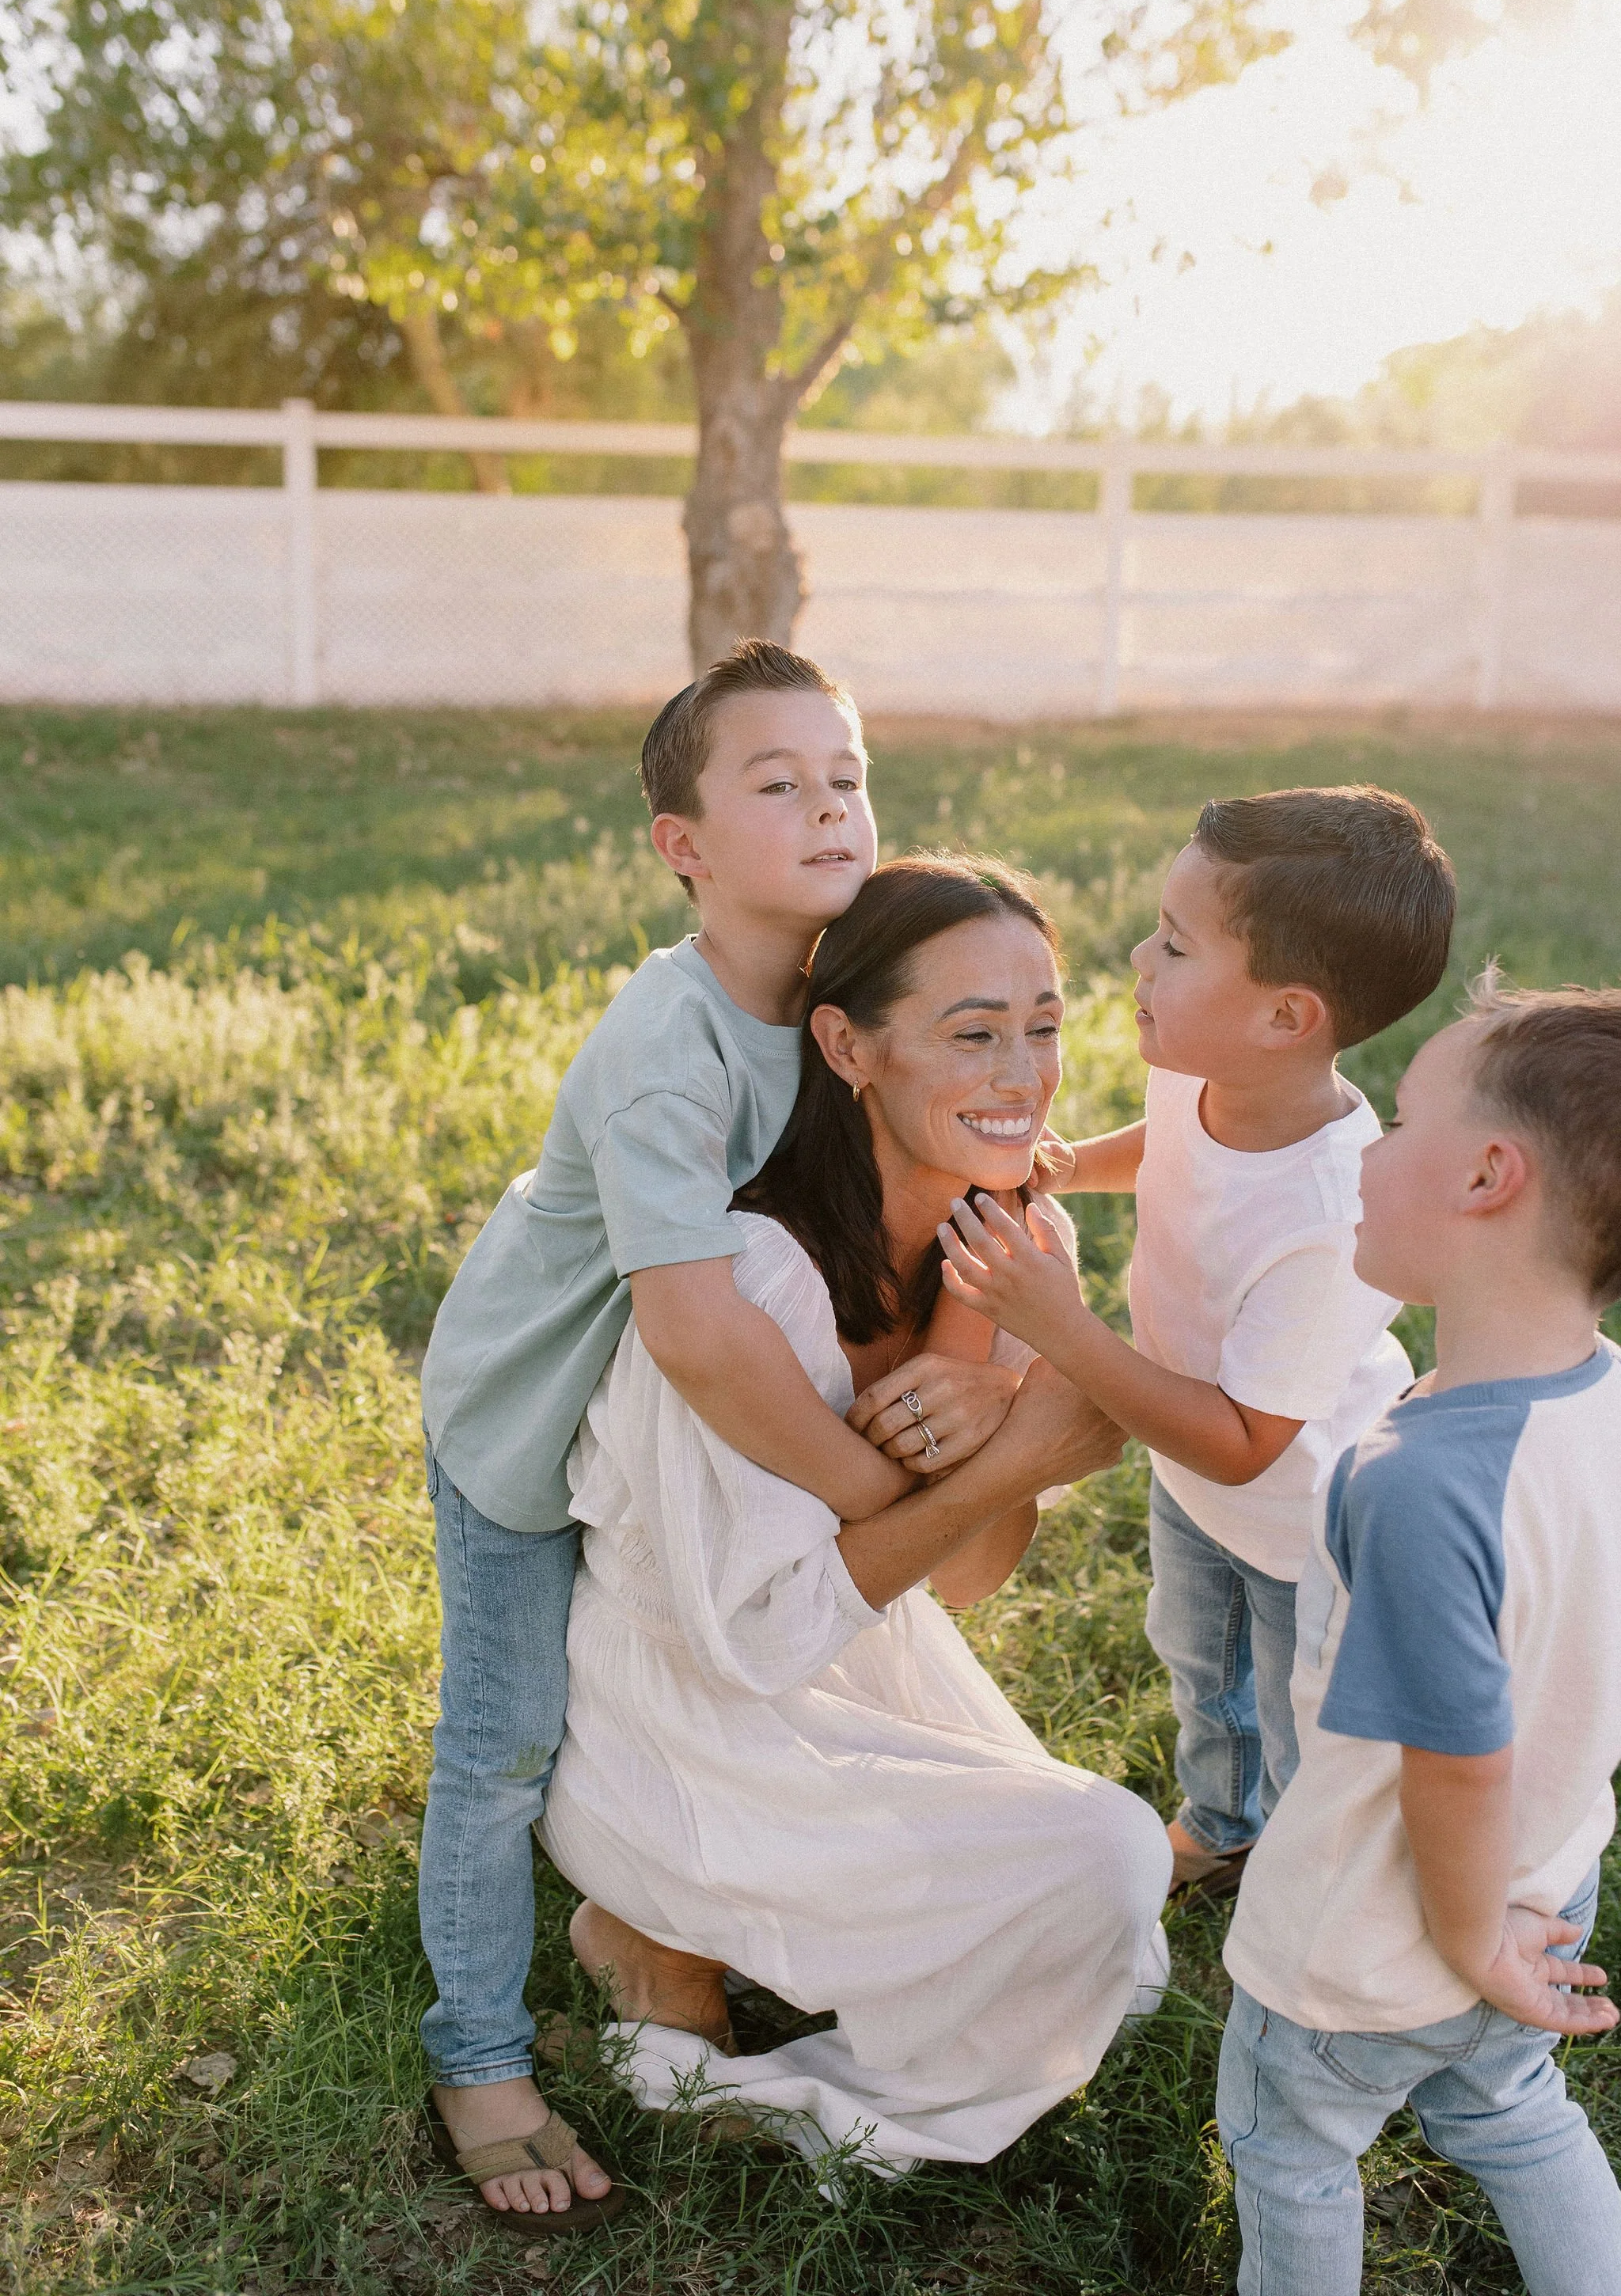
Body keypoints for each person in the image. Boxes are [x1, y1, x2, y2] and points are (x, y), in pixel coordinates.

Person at [418, 643, 977, 2230]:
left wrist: (981, 1349)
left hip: (683, 1446)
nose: (829, 807)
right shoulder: (670, 1042)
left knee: (685, 1675)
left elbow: (977, 1134)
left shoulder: (849, 1004)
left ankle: (662, 1909)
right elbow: (694, 1328)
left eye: (848, 776)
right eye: (776, 783)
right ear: (684, 847)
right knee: (506, 1731)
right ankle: (475, 2055)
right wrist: (876, 1496)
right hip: (536, 1428)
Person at [539, 858, 1173, 2173]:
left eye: (1045, 1026)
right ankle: (654, 1916)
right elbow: (755, 1641)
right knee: (1106, 1855)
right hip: (681, 1710)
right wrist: (1018, 1454)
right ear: (847, 1045)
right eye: (973, 1032)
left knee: (1119, 1929)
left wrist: (997, 1405)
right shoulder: (754, 1273)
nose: (1025, 1074)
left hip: (853, 1665)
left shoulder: (1005, 1243)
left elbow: (973, 1577)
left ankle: (698, 1928)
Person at [936, 787, 1456, 1888]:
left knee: (1293, 1697)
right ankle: (1223, 1824)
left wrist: (1060, 1328)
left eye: (1174, 944)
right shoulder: (1200, 1069)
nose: (1137, 956)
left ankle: (1316, 1875)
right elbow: (1171, 1151)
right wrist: (1079, 1161)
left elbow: (1244, 1442)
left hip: (1301, 1519)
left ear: (1285, 1016)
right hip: (1193, 1475)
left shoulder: (1332, 1211)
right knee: (1195, 1657)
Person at [1217, 977, 1621, 2296]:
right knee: (1513, 2112)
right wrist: (1509, 1931)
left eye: (1398, 1122)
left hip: (1377, 1941)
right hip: (1546, 1888)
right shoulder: (1600, 1402)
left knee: (1290, 2156)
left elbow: (1458, 1760)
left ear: (1487, 1177)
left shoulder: (1422, 1483)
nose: (1368, 1152)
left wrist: (1467, 1947)